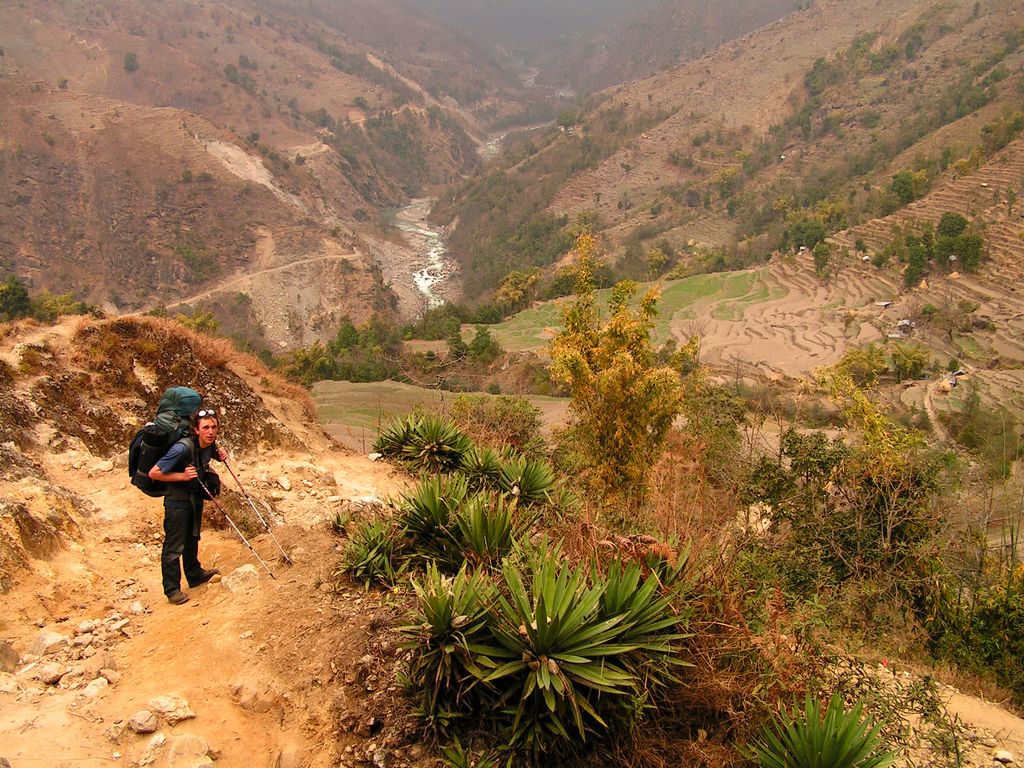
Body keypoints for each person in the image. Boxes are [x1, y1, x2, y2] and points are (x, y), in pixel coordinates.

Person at [149, 408, 226, 605]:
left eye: (214, 427)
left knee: (193, 537)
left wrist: (220, 455)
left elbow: (208, 456)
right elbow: (154, 473)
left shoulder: (208, 444)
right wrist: (181, 476)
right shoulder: (181, 448)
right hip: (177, 501)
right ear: (196, 430)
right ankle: (172, 589)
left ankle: (194, 574)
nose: (211, 431)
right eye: (206, 427)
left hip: (194, 497)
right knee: (174, 546)